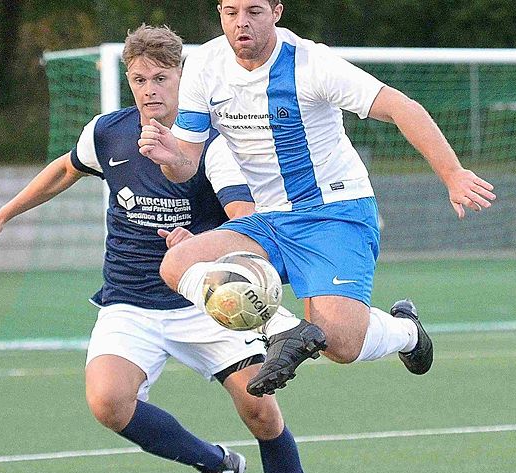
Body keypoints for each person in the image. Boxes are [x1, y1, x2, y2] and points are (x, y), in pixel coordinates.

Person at [0, 24, 316, 473]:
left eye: (161, 77)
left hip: (204, 302)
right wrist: (2, 216)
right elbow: (65, 169)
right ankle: (215, 464)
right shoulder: (110, 132)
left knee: (262, 413)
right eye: (139, 79)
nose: (150, 89)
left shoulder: (211, 139)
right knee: (107, 402)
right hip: (130, 302)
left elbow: (244, 213)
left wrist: (198, 241)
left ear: (181, 77)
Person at [138, 0, 496, 397]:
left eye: (254, 11)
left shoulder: (311, 64)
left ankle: (406, 331)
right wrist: (171, 160)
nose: (242, 23)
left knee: (340, 344)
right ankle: (283, 329)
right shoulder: (204, 65)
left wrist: (453, 173)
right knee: (177, 263)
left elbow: (400, 107)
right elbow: (186, 162)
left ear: (276, 11)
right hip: (270, 220)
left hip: (335, 213)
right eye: (231, 12)